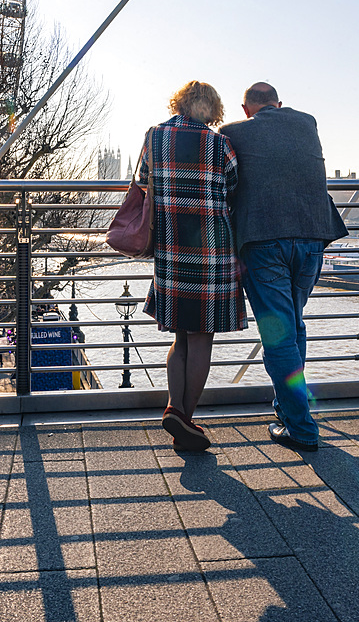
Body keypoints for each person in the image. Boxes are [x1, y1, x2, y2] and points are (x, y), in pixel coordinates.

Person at [220, 82, 347, 453]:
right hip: (311, 237)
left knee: (279, 335)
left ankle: (301, 428)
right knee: (294, 325)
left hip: (264, 241)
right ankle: (289, 411)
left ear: (246, 109)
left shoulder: (233, 132)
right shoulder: (307, 121)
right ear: (279, 103)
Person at [137, 80, 247, 452]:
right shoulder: (220, 144)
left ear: (180, 103)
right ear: (213, 110)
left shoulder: (154, 137)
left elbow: (142, 182)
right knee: (202, 338)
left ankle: (174, 408)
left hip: (170, 249)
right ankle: (186, 418)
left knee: (180, 337)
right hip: (212, 252)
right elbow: (235, 188)